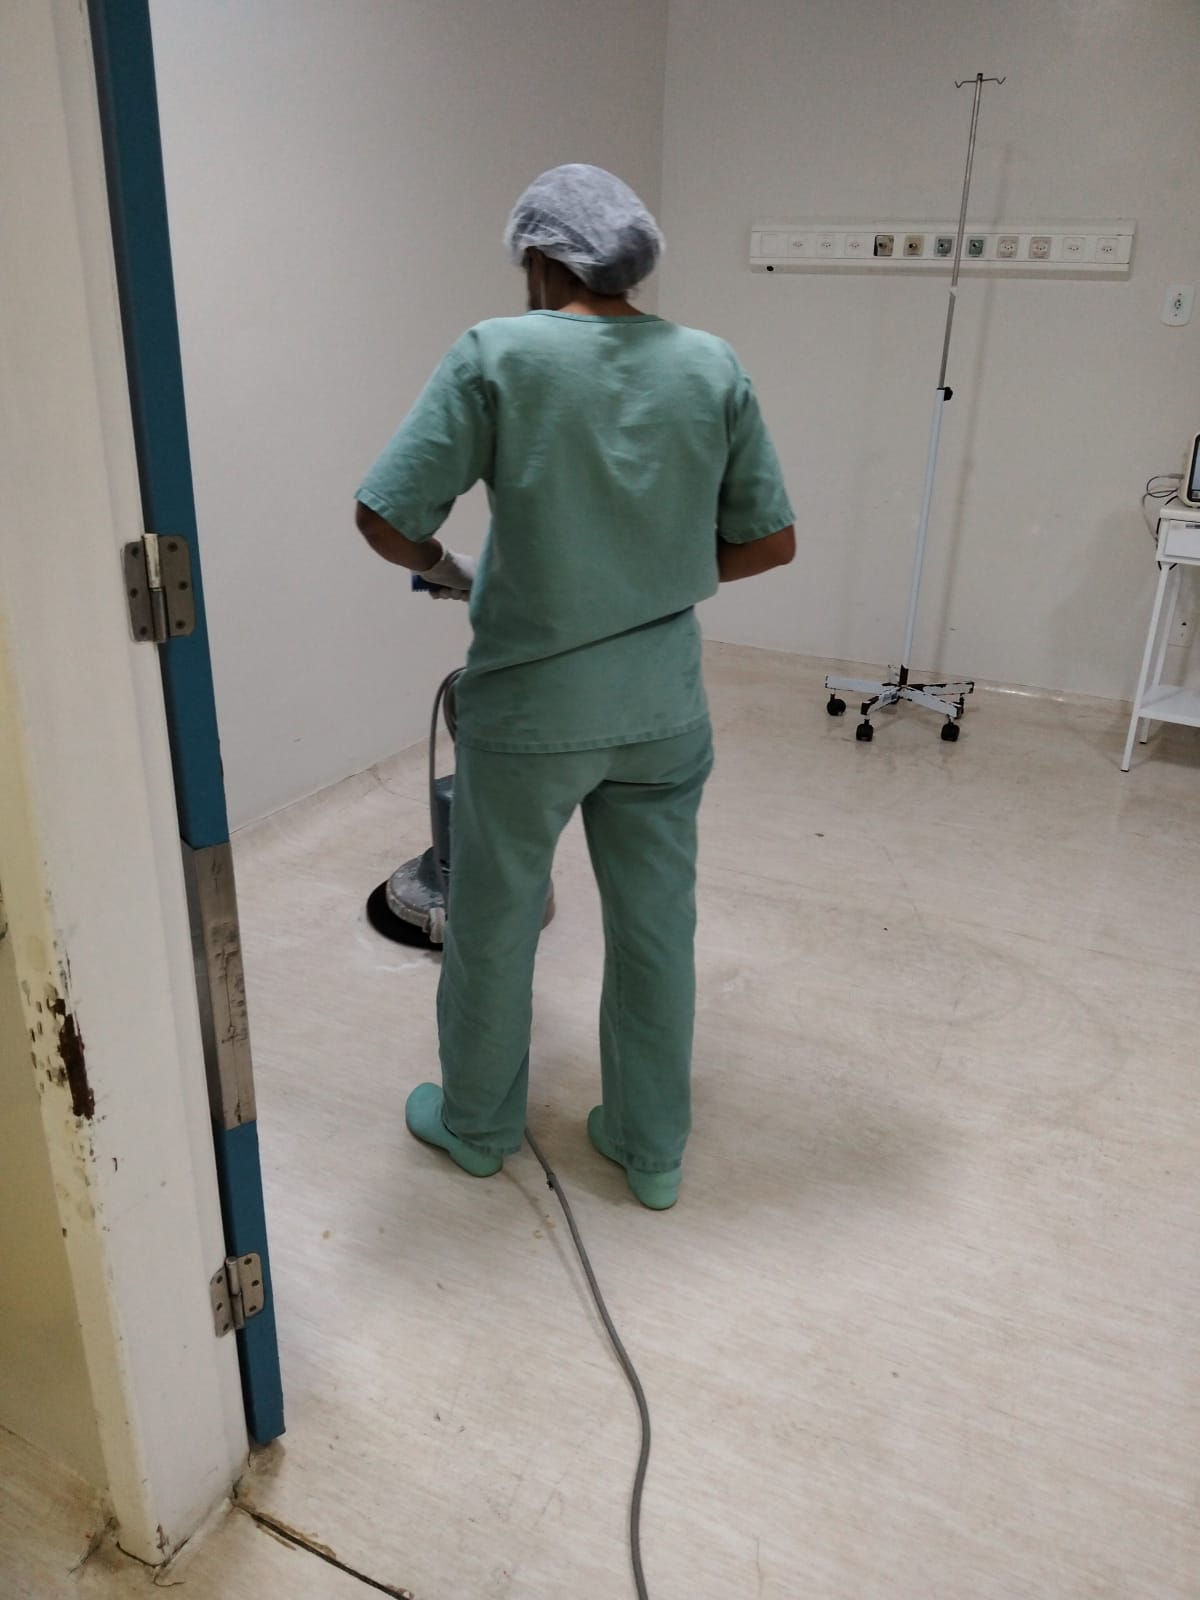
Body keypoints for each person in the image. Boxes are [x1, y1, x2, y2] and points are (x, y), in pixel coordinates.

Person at [355, 164, 794, 1209]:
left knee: (494, 922)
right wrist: (656, 574)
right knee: (656, 930)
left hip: (528, 714)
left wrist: (451, 568)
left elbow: (384, 517)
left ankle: (477, 1127)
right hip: (661, 711)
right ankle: (650, 1149)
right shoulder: (710, 364)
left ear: (543, 258)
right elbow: (769, 540)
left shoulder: (498, 353)